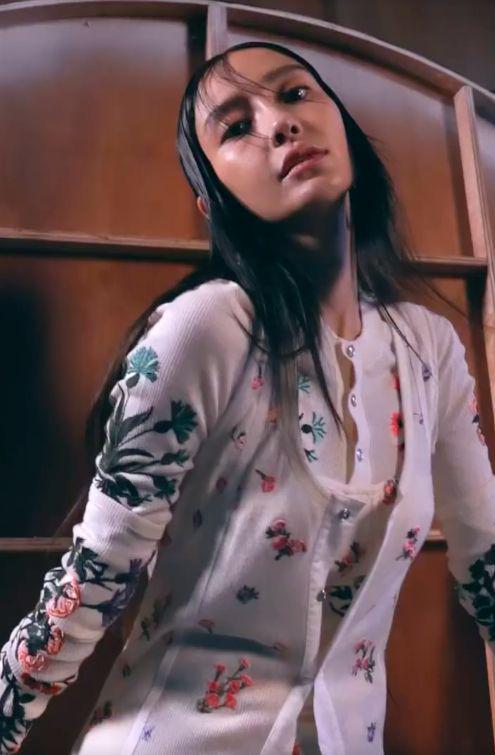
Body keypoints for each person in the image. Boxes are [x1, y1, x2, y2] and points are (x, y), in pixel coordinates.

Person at [1, 39, 494, 755]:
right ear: (212, 200)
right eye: (236, 126)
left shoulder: (429, 350)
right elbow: (96, 577)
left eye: (295, 94)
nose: (278, 123)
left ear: (345, 131)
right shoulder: (202, 329)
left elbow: (486, 562)